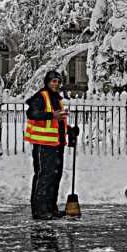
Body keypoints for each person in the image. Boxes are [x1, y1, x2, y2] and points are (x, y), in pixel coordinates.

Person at [24, 70, 78, 219]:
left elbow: (58, 122)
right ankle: (40, 211)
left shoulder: (57, 99)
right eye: (53, 81)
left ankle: (51, 208)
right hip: (43, 145)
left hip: (57, 144)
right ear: (47, 82)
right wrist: (51, 115)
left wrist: (70, 130)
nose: (56, 84)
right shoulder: (41, 96)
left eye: (58, 82)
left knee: (55, 177)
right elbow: (32, 114)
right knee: (44, 177)